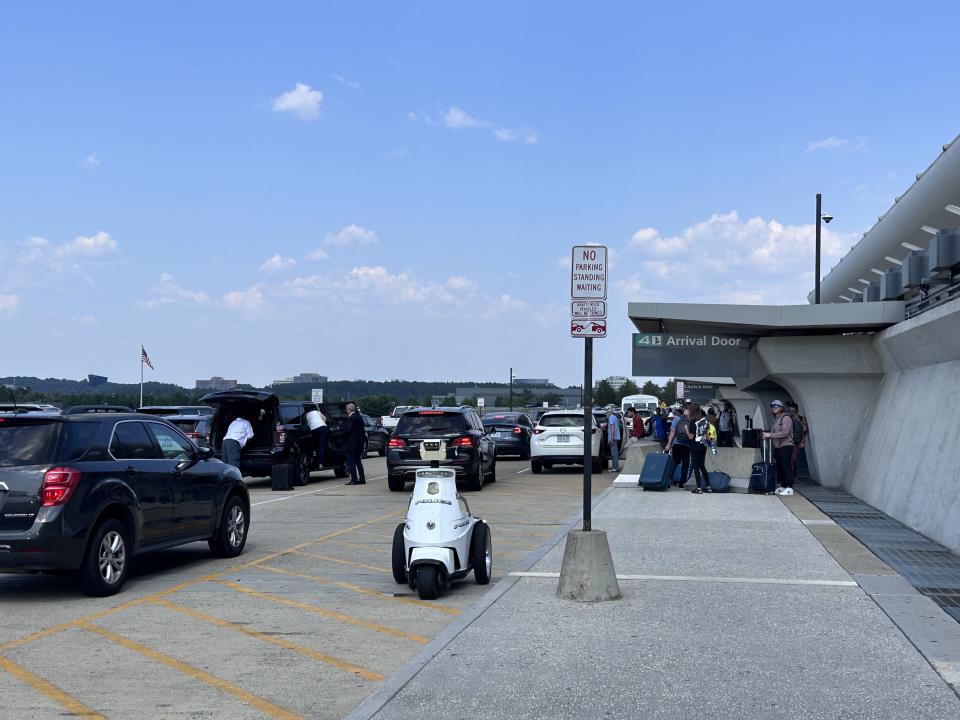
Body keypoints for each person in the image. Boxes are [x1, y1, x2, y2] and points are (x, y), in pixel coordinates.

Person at [763, 400, 795, 496]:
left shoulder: (786, 418)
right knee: (780, 466)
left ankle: (789, 486)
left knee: (786, 466)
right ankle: (783, 485)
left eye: (776, 406)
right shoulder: (775, 419)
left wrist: (770, 435)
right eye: (773, 407)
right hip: (778, 446)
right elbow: (773, 432)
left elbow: (785, 432)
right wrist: (767, 435)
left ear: (781, 408)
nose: (774, 408)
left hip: (786, 445)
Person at [664, 402, 691, 487]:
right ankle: (682, 483)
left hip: (676, 443)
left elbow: (672, 431)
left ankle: (668, 480)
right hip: (687, 445)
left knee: (674, 463)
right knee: (685, 464)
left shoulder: (677, 418)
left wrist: (668, 444)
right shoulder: (692, 419)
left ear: (684, 409)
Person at [686, 404, 711, 494]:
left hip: (695, 446)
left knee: (696, 467)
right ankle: (708, 487)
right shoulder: (704, 420)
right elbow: (708, 434)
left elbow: (690, 436)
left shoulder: (693, 421)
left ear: (692, 411)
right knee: (702, 466)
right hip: (703, 446)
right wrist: (709, 445)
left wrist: (686, 430)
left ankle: (699, 488)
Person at [343, 402, 366, 485]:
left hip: (351, 444)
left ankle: (354, 480)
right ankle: (362, 479)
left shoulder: (351, 418)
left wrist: (341, 434)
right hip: (359, 443)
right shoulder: (359, 417)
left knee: (351, 462)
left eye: (346, 410)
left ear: (349, 410)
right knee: (358, 462)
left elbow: (348, 430)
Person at [787, 402, 807, 476]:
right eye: (790, 411)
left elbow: (804, 430)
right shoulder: (788, 419)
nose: (791, 413)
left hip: (797, 443)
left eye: (793, 411)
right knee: (790, 459)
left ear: (797, 411)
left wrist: (799, 420)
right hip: (789, 442)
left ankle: (792, 475)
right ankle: (791, 475)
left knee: (794, 459)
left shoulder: (801, 419)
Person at [304, 404, 328, 469]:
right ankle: (320, 464)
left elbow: (306, 425)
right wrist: (323, 423)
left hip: (314, 429)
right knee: (321, 446)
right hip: (323, 428)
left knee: (315, 445)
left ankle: (312, 461)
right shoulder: (317, 412)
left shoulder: (305, 415)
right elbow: (325, 418)